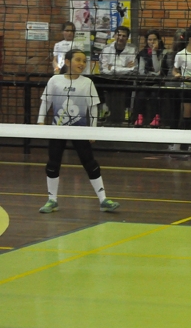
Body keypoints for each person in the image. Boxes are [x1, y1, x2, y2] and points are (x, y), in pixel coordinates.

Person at [36, 49, 120, 214]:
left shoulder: (87, 83)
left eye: (84, 61)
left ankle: (103, 200)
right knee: (53, 164)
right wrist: (40, 121)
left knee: (90, 163)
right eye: (78, 60)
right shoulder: (55, 80)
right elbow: (46, 101)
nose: (82, 63)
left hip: (80, 130)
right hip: (57, 130)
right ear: (67, 62)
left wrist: (93, 130)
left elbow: (93, 107)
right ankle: (52, 200)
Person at [132, 29, 169, 127]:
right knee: (141, 93)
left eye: (154, 39)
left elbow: (158, 69)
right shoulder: (142, 53)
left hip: (158, 82)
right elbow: (141, 71)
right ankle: (139, 116)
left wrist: (154, 53)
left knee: (154, 94)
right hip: (145, 81)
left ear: (159, 40)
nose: (152, 42)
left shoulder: (164, 52)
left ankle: (156, 117)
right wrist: (153, 74)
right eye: (149, 40)